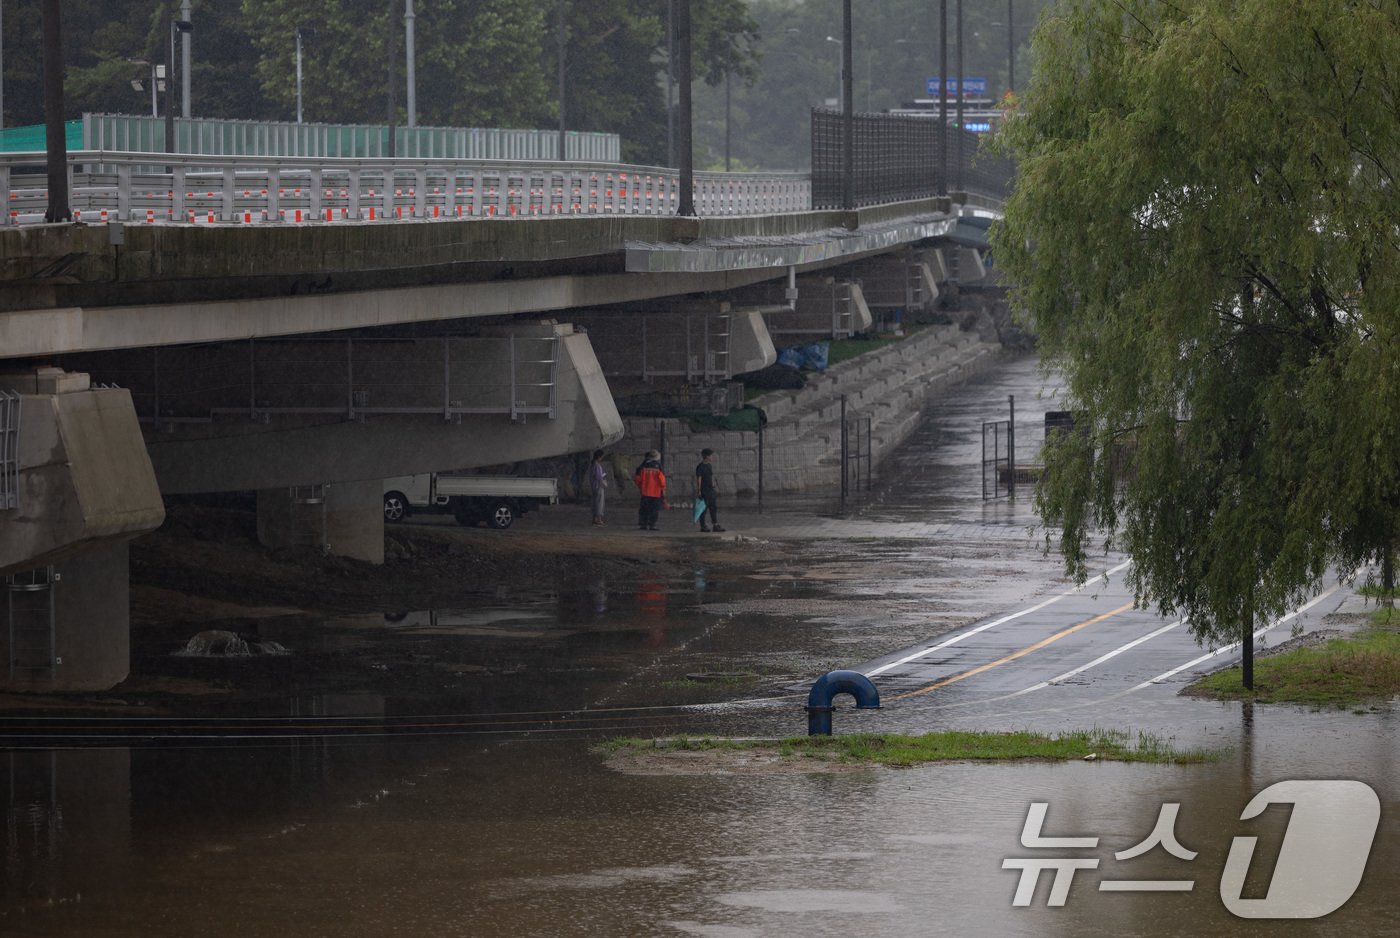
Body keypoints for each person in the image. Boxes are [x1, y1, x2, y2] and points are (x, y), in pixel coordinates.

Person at [633, 450, 666, 531]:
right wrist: (663, 490)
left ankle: (643, 524)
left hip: (645, 491)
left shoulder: (643, 466)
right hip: (656, 492)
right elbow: (662, 480)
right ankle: (652, 525)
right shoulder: (658, 466)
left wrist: (641, 487)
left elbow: (637, 479)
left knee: (644, 509)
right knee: (654, 509)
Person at [694, 448, 724, 532]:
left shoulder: (709, 465)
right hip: (704, 490)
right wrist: (699, 490)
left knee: (713, 507)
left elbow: (711, 477)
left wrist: (715, 486)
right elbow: (699, 479)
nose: (712, 457)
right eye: (711, 455)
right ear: (706, 456)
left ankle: (715, 525)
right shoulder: (700, 467)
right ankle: (703, 526)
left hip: (711, 490)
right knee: (703, 508)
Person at [588, 449, 609, 526]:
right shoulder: (597, 466)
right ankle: (599, 519)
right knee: (599, 504)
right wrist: (604, 483)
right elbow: (599, 477)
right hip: (598, 487)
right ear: (599, 457)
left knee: (595, 503)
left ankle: (594, 519)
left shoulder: (593, 465)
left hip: (594, 486)